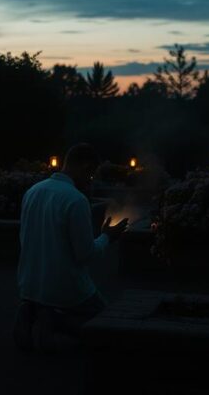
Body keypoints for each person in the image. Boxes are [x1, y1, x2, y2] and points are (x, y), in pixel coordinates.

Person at [13, 143, 128, 353]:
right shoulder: (75, 200)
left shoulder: (32, 192)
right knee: (107, 325)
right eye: (91, 175)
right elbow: (86, 255)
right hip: (65, 289)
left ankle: (35, 311)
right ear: (85, 168)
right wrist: (107, 237)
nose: (90, 181)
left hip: (29, 285)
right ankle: (52, 322)